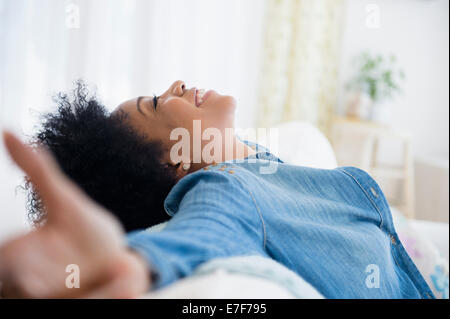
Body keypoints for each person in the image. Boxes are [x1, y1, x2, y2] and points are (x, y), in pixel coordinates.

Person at [0, 80, 434, 298]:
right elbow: (205, 232)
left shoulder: (260, 165)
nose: (178, 86)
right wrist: (128, 264)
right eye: (156, 103)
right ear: (173, 163)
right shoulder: (225, 191)